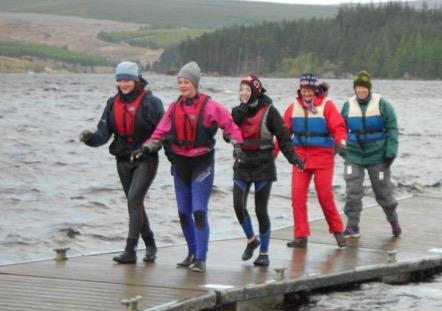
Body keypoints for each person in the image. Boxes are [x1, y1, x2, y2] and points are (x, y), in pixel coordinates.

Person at [133, 61, 243, 273]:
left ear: (195, 83)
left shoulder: (211, 106)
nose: (182, 86)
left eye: (186, 82)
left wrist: (237, 146)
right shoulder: (174, 108)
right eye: (179, 82)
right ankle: (191, 252)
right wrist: (145, 148)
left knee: (199, 211)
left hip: (202, 163)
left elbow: (230, 127)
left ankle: (201, 258)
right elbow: (159, 133)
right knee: (184, 212)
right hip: (181, 164)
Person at [79, 61, 164, 263]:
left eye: (127, 80)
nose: (124, 84)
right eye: (120, 80)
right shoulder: (112, 103)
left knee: (134, 200)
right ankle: (150, 244)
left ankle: (130, 250)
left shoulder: (152, 103)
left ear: (136, 80)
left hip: (146, 158)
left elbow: (164, 133)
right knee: (135, 203)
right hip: (122, 159)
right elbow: (103, 134)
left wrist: (167, 155)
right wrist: (89, 139)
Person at [231, 74, 304, 266]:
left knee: (260, 210)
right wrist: (235, 141)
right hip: (243, 163)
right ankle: (251, 240)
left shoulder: (270, 111)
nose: (243, 93)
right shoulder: (237, 112)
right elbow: (227, 134)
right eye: (241, 90)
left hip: (264, 164)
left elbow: (284, 138)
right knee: (238, 206)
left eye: (247, 90)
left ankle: (264, 252)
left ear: (255, 91)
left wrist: (294, 158)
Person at [283, 73, 348, 248]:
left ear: (315, 90)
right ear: (300, 90)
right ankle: (300, 236)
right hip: (300, 157)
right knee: (297, 196)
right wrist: (272, 152)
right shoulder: (293, 108)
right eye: (304, 90)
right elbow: (283, 133)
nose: (307, 93)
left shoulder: (327, 106)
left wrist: (341, 142)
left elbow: (339, 127)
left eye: (310, 90)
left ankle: (338, 232)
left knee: (325, 197)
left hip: (323, 156)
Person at [341, 71, 401, 238]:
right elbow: (339, 129)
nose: (361, 91)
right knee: (353, 191)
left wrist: (391, 151)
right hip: (354, 155)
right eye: (358, 87)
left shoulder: (383, 104)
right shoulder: (348, 105)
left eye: (364, 88)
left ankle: (393, 219)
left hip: (378, 156)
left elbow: (392, 128)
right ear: (355, 88)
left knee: (383, 191)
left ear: (369, 89)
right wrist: (340, 147)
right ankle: (352, 225)